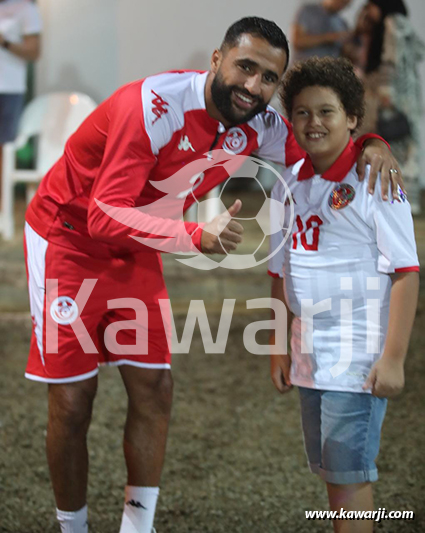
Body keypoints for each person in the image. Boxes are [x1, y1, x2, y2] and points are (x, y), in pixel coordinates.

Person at [23, 17, 402, 533]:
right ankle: (72, 526)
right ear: (217, 60)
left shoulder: (262, 125)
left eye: (269, 78)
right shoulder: (152, 106)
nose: (254, 86)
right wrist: (192, 237)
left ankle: (138, 526)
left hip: (135, 245)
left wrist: (372, 142)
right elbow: (103, 214)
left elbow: (323, 147)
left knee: (154, 386)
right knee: (72, 398)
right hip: (67, 237)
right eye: (245, 67)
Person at [268, 57, 419, 532]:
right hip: (310, 355)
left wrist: (393, 358)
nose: (314, 122)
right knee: (333, 476)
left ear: (353, 117)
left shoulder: (377, 181)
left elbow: (406, 273)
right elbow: (278, 273)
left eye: (327, 112)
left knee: (350, 480)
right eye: (303, 113)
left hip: (358, 358)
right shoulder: (286, 187)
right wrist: (277, 344)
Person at [351, 0, 425, 214]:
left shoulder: (393, 23)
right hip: (402, 96)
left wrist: (386, 93)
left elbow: (390, 60)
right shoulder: (399, 25)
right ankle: (399, 201)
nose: (369, 10)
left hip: (392, 97)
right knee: (401, 146)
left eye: (372, 5)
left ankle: (398, 201)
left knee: (396, 147)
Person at [0, 0, 41, 195]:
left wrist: (5, 42)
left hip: (9, 88)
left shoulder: (25, 8)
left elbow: (34, 51)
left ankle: (2, 210)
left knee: (4, 149)